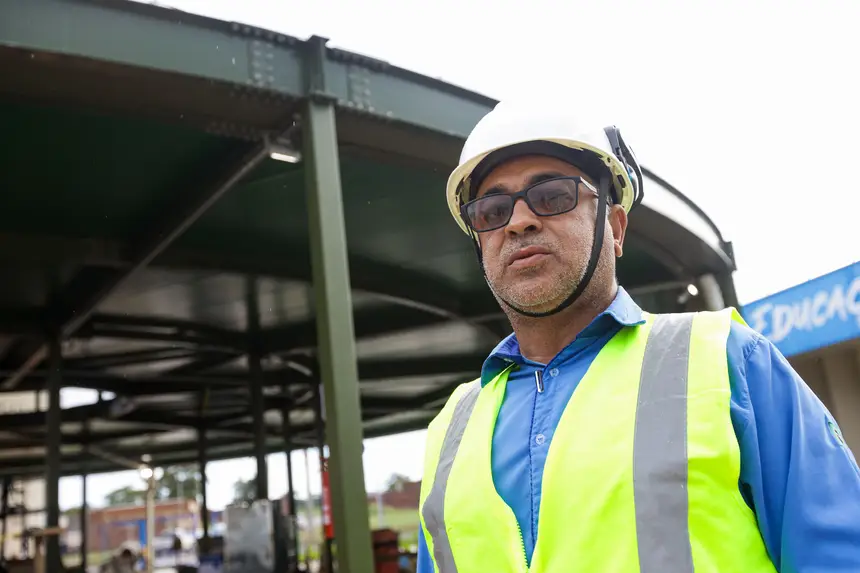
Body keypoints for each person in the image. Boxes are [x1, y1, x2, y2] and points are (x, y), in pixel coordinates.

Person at [415, 99, 860, 573]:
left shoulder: (729, 362)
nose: (519, 221)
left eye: (552, 196)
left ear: (615, 226)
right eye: (493, 209)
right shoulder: (450, 429)